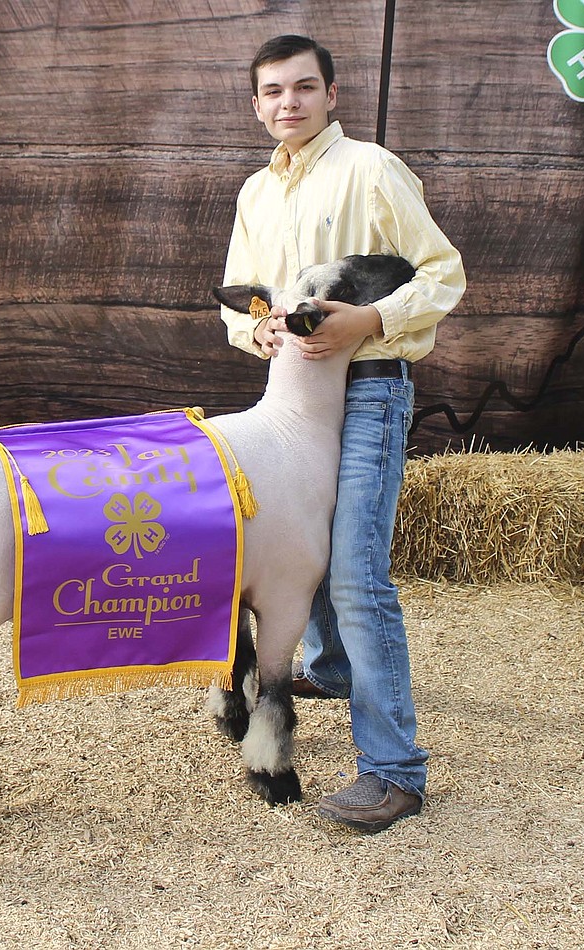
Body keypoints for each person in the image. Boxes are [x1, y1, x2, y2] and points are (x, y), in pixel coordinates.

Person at [220, 35, 465, 833]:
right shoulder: (256, 192)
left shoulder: (371, 168)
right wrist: (256, 330)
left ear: (332, 94)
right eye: (272, 92)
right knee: (303, 551)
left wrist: (371, 318)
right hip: (289, 399)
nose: (287, 103)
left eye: (303, 88)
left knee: (356, 574)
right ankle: (326, 666)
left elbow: (442, 273)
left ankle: (393, 771)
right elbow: (245, 300)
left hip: (366, 389)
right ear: (257, 105)